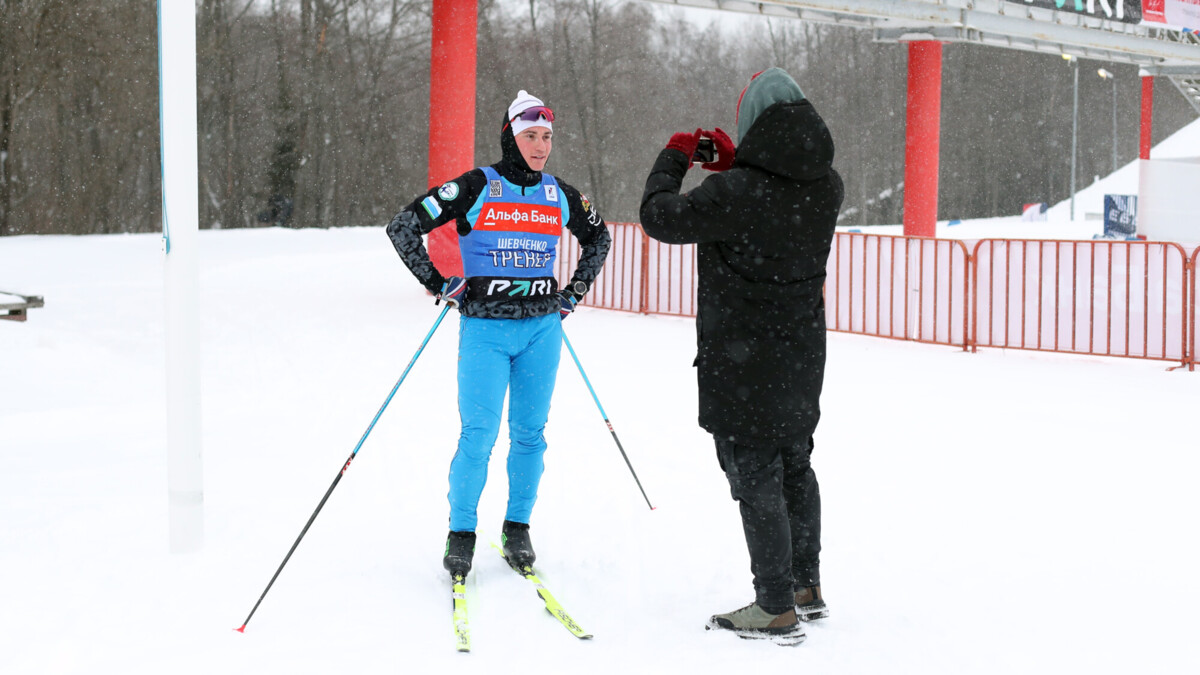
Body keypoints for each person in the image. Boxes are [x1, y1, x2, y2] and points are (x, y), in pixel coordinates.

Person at [639, 68, 842, 644]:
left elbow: (659, 216)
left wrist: (673, 159)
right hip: (802, 355)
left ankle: (774, 604)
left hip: (745, 361)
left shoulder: (734, 195)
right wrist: (735, 168)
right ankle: (805, 586)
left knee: (755, 475)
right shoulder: (827, 185)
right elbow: (771, 203)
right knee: (796, 467)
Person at [386, 90, 611, 580]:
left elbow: (600, 236)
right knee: (479, 436)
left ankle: (517, 528)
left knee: (530, 436)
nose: (540, 145)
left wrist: (571, 293)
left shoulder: (559, 193)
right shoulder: (477, 185)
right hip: (486, 331)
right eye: (530, 135)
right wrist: (438, 282)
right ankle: (461, 534)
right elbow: (403, 225)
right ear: (511, 135)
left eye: (547, 136)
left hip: (541, 332)